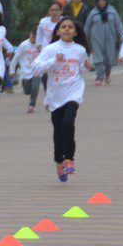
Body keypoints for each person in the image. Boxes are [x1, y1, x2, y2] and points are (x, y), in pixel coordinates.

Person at [31, 16, 94, 182]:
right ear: (57, 31)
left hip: (73, 92)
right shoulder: (51, 49)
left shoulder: (80, 50)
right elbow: (36, 69)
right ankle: (59, 161)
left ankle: (69, 160)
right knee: (58, 131)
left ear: (75, 32)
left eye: (70, 27)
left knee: (68, 123)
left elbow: (82, 67)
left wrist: (87, 66)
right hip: (55, 95)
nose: (67, 29)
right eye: (63, 27)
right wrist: (54, 60)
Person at [85, 0, 123, 84]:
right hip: (96, 39)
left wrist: (122, 36)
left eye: (103, 0)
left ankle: (107, 74)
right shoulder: (93, 13)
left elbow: (118, 24)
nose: (101, 2)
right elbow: (87, 27)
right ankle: (99, 77)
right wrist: (84, 38)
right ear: (97, 2)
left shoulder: (112, 11)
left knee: (109, 60)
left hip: (110, 39)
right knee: (98, 59)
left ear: (106, 1)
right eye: (99, 1)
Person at [10, 28, 43, 114]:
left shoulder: (41, 45)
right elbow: (16, 58)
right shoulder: (24, 45)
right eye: (32, 36)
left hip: (37, 70)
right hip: (26, 71)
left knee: (35, 88)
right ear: (30, 34)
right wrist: (12, 71)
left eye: (35, 37)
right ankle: (28, 91)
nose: (33, 38)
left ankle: (32, 105)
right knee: (27, 91)